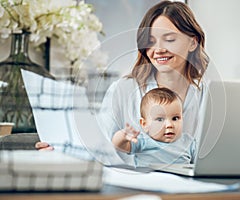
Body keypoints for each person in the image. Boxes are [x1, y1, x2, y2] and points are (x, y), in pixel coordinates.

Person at [35, 0, 209, 166]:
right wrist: (60, 152)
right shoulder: (124, 89)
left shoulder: (205, 95)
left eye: (169, 40)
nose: (158, 50)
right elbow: (99, 147)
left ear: (193, 42)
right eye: (150, 41)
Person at [112, 87, 196, 166]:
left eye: (175, 118)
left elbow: (202, 163)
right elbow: (118, 145)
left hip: (180, 181)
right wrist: (122, 136)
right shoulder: (143, 141)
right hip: (148, 180)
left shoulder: (189, 142)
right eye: (160, 119)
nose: (170, 125)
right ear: (144, 124)